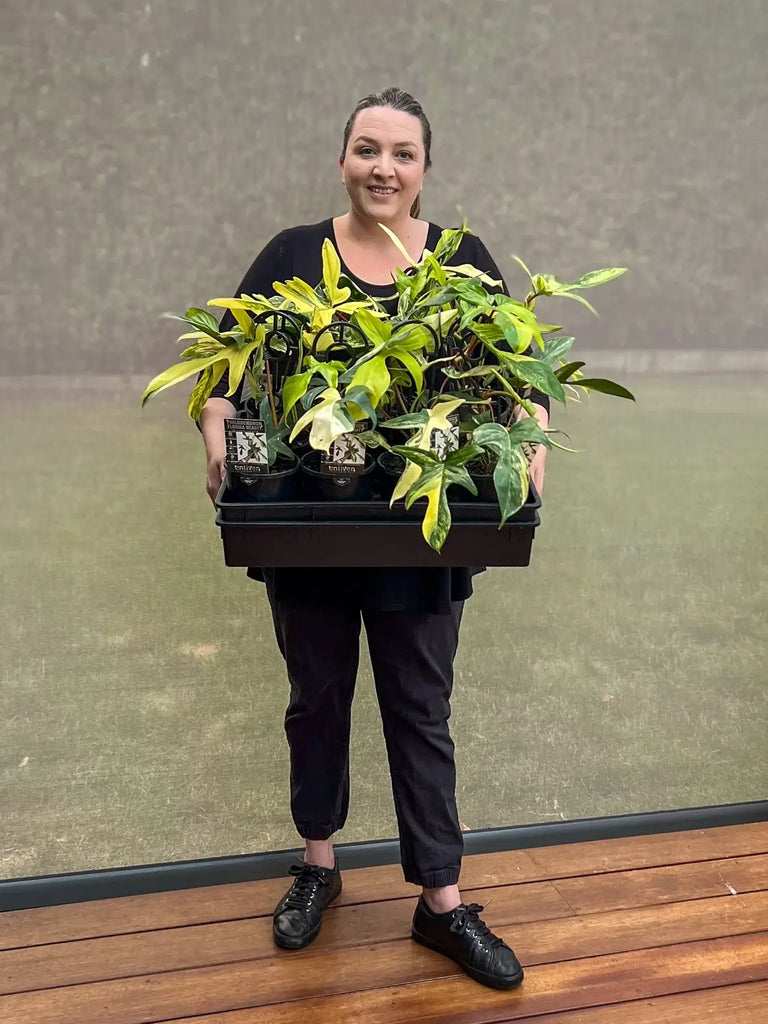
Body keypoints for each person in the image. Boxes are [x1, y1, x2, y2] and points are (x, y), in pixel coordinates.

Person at [199, 87, 549, 991]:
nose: (382, 168)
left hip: (422, 532)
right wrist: (215, 431)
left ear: (426, 169)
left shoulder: (461, 263)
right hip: (312, 521)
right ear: (343, 159)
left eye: (401, 153)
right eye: (366, 149)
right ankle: (318, 864)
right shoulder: (291, 257)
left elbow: (523, 375)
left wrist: (530, 439)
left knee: (420, 712)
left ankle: (441, 902)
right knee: (315, 699)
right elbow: (222, 371)